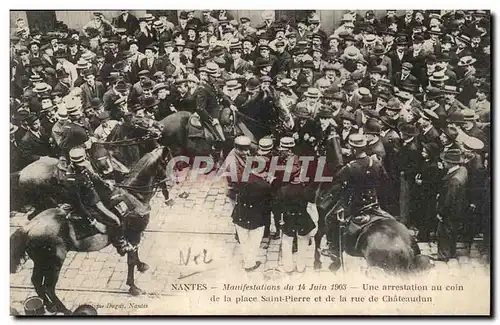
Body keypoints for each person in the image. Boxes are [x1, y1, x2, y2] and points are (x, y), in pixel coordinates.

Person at [65, 147, 134, 256]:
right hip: (88, 205)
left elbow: (92, 177)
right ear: (73, 163)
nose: (84, 165)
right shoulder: (71, 179)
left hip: (95, 197)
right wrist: (94, 223)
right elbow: (78, 204)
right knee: (115, 220)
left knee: (119, 202)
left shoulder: (81, 167)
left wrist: (106, 184)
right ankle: (120, 244)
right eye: (81, 163)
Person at [435, 149, 468, 261]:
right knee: (452, 231)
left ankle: (443, 255)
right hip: (457, 210)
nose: (443, 162)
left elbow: (449, 201)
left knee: (444, 233)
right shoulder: (462, 170)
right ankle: (451, 252)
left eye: (445, 161)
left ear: (452, 163)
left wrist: (441, 213)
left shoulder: (453, 180)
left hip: (449, 212)